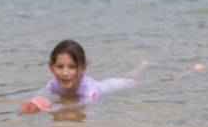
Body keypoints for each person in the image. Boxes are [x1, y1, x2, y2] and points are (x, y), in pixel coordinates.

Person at [20, 39, 148, 114]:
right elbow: (40, 96)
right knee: (130, 76)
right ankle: (140, 67)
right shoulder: (54, 84)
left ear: (82, 68)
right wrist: (32, 105)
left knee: (137, 82)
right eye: (60, 67)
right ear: (51, 68)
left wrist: (56, 108)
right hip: (106, 83)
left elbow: (85, 104)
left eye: (72, 67)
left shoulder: (89, 89)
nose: (65, 73)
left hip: (111, 87)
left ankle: (145, 68)